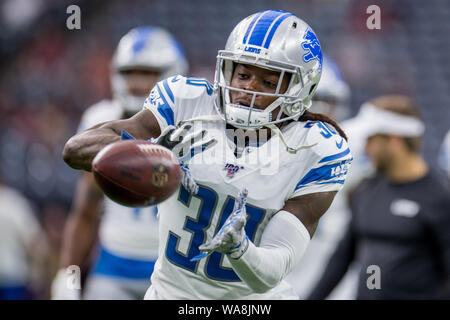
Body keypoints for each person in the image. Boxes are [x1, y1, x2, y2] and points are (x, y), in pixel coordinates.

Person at [62, 10, 353, 299]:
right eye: (243, 74)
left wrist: (241, 249)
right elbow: (75, 151)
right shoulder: (186, 103)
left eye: (268, 82)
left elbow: (270, 272)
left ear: (300, 90)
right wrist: (146, 151)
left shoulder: (317, 149)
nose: (247, 89)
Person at [51, 26, 188, 300]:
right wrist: (67, 274)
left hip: (177, 269)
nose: (137, 83)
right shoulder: (100, 121)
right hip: (114, 266)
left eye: (148, 73)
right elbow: (86, 210)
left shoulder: (194, 128)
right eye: (130, 73)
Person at [308, 95, 450, 299]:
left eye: (370, 140)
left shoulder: (440, 198)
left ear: (394, 141)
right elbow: (341, 260)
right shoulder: (367, 190)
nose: (365, 149)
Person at [285, 55, 361, 300]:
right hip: (279, 266)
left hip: (329, 264)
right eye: (317, 100)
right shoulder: (262, 147)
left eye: (329, 101)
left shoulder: (353, 148)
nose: (324, 110)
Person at [0, 175, 50, 299]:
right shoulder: (15, 204)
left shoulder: (15, 204)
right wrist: (38, 275)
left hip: (12, 279)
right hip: (13, 277)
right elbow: (34, 241)